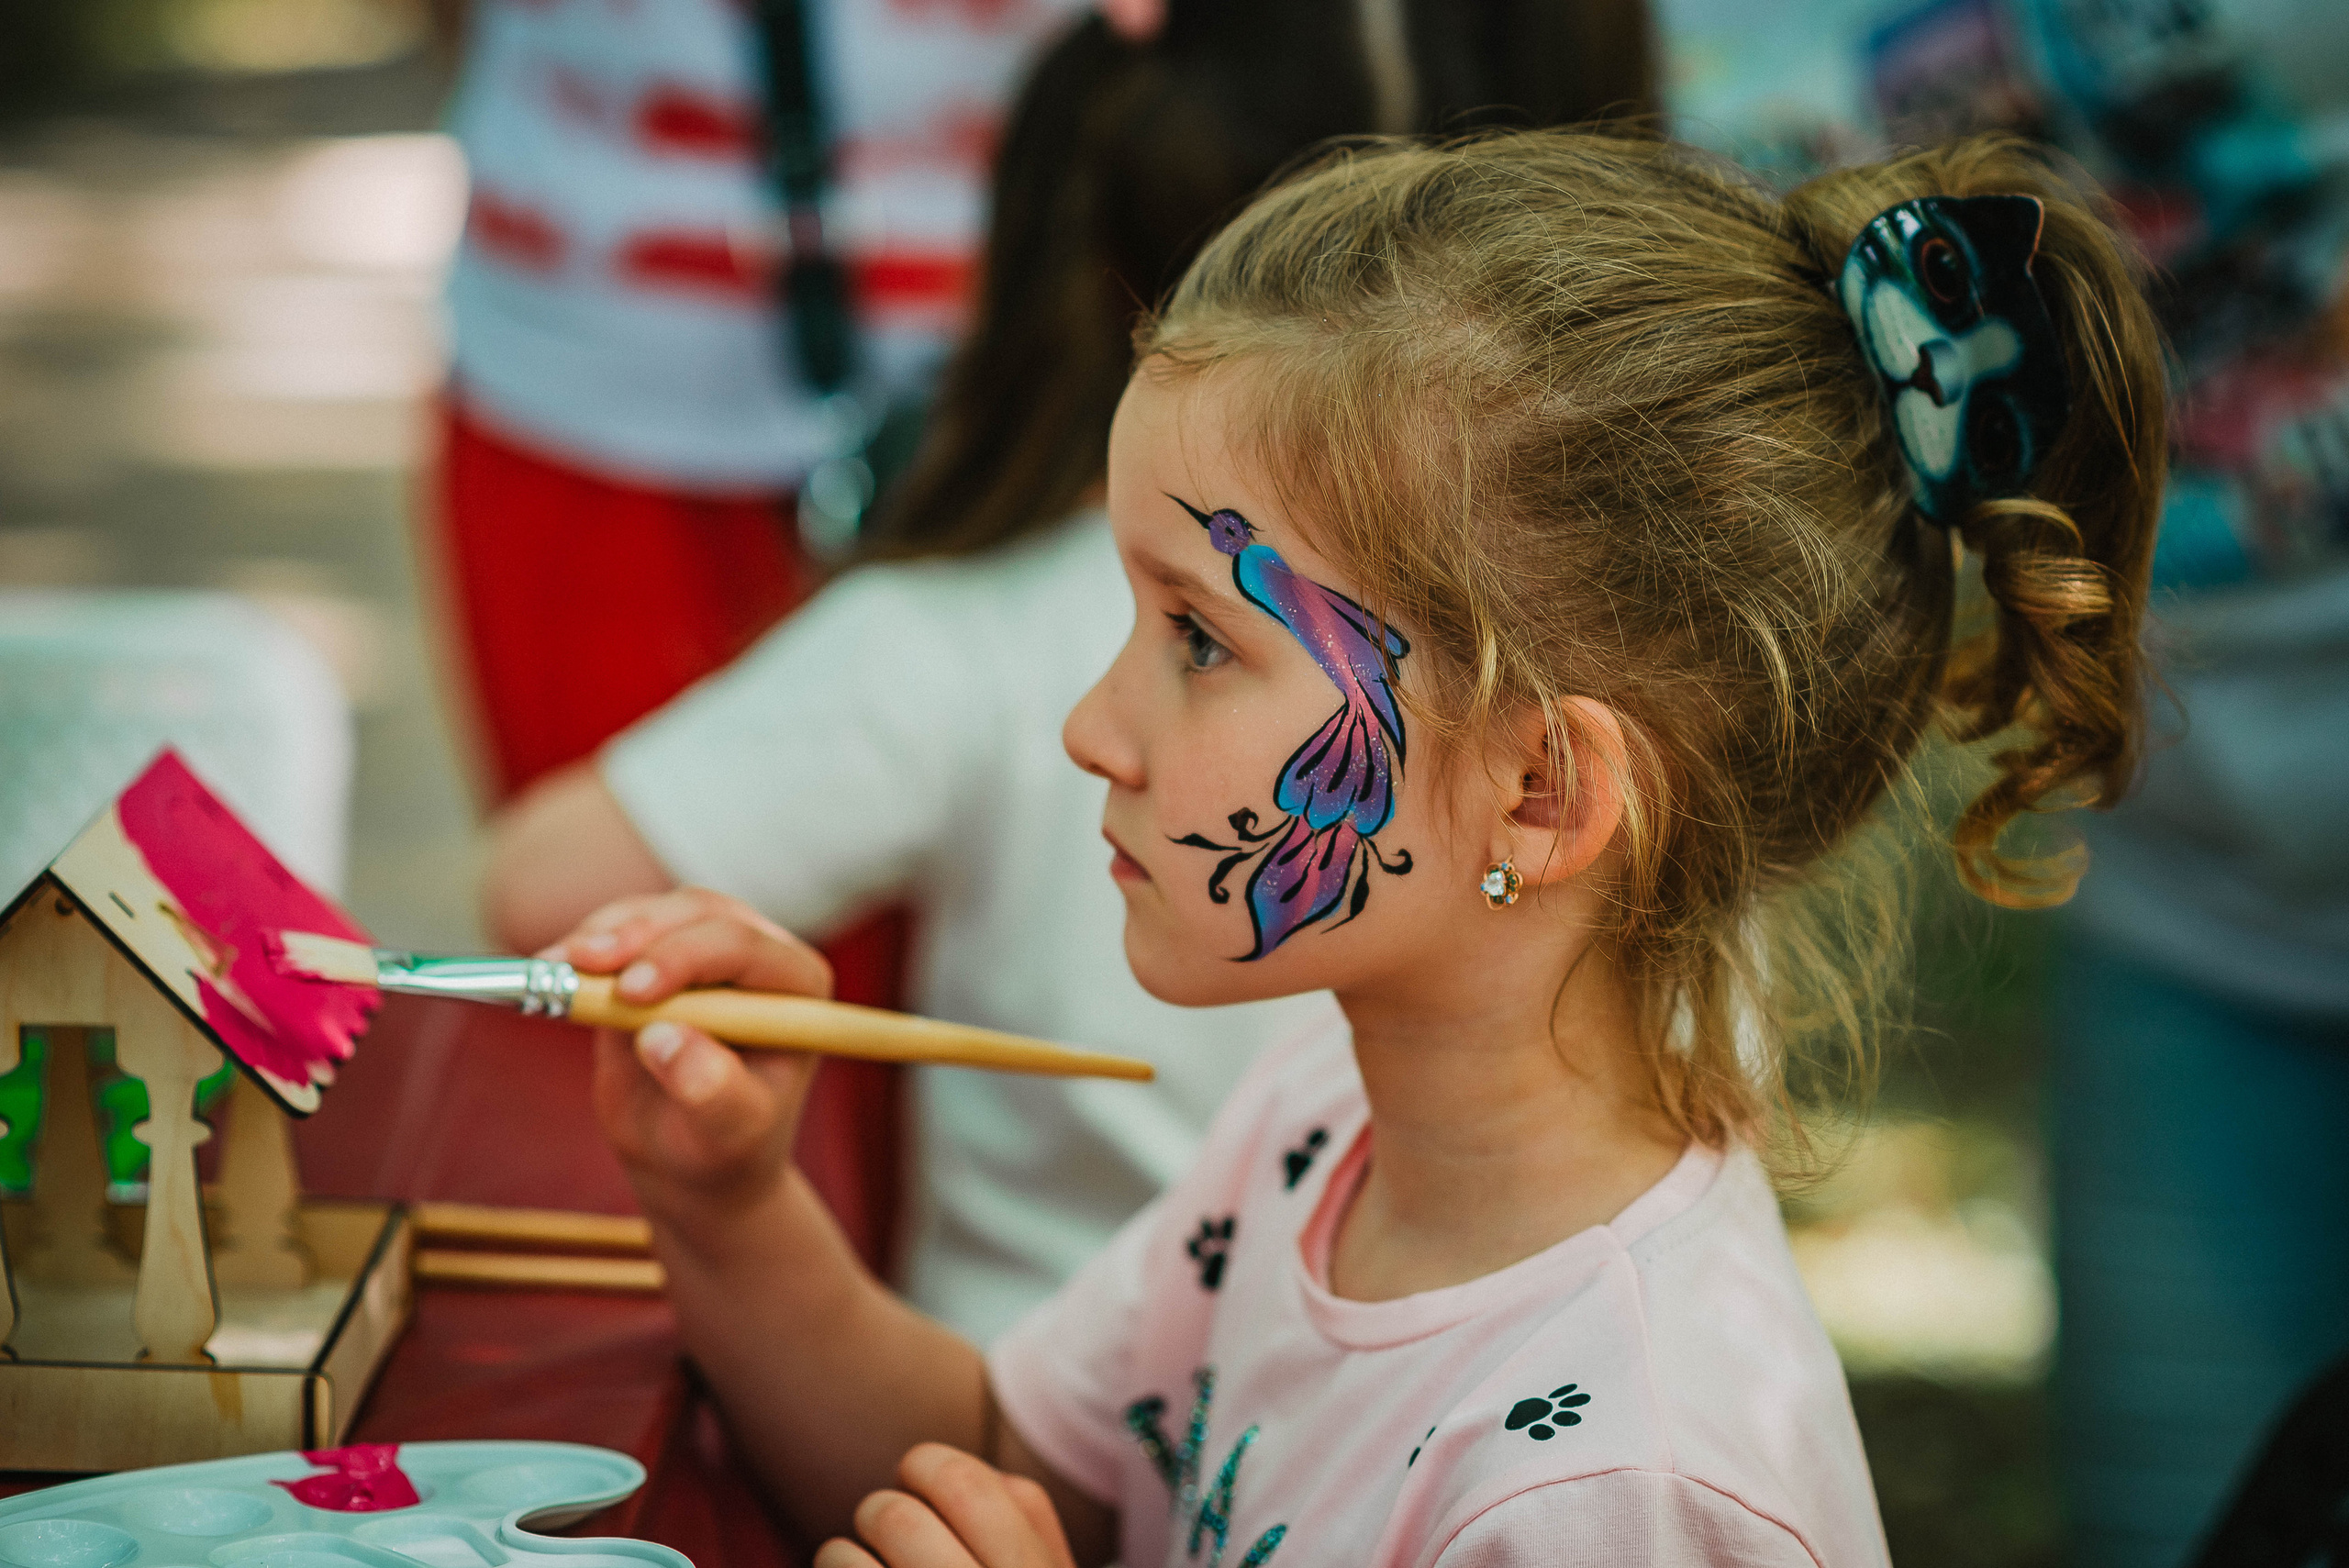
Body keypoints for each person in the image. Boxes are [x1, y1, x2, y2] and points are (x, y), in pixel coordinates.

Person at [530, 128, 2168, 1563]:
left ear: (1541, 792)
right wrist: (731, 1202)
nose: (1091, 727)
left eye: (1201, 638)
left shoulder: (1625, 1492)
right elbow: (998, 1462)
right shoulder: (1322, 1124)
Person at [486, 0, 1656, 1342]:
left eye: (1201, 639)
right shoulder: (1631, 640)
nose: (1092, 725)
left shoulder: (968, 627)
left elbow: (541, 880)